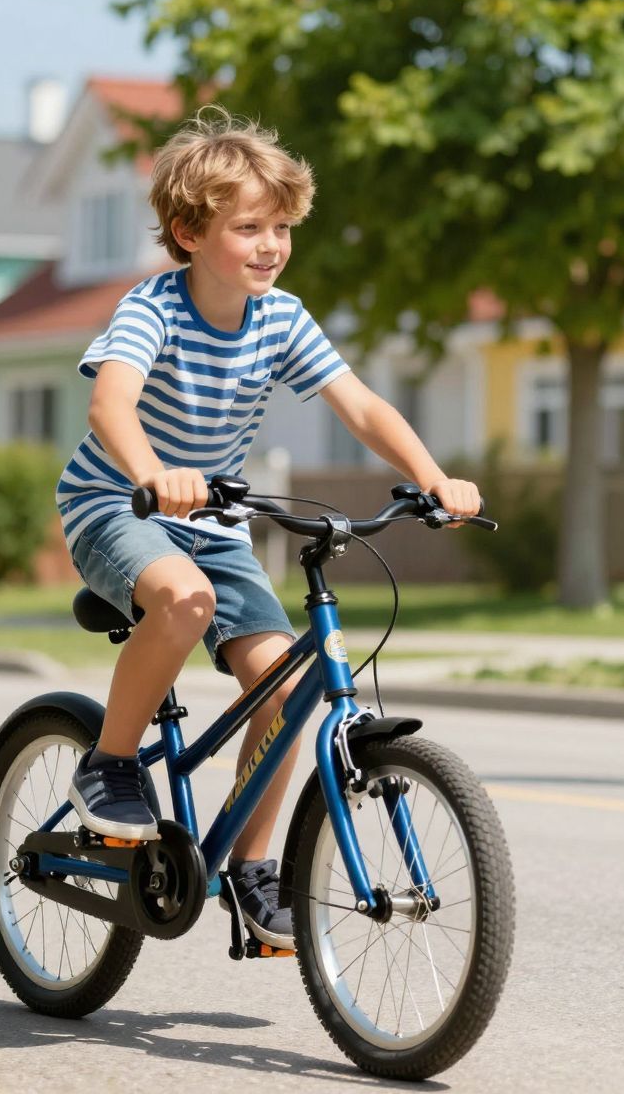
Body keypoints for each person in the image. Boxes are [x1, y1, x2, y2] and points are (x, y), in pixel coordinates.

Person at [56, 107, 480, 951]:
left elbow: (357, 402)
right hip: (117, 504)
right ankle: (107, 765)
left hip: (214, 521)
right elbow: (111, 402)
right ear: (187, 231)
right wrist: (152, 475)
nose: (270, 244)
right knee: (182, 598)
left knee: (288, 690)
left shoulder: (280, 318)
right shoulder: (155, 311)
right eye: (248, 226)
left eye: (280, 227)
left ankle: (252, 873)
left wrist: (431, 477)